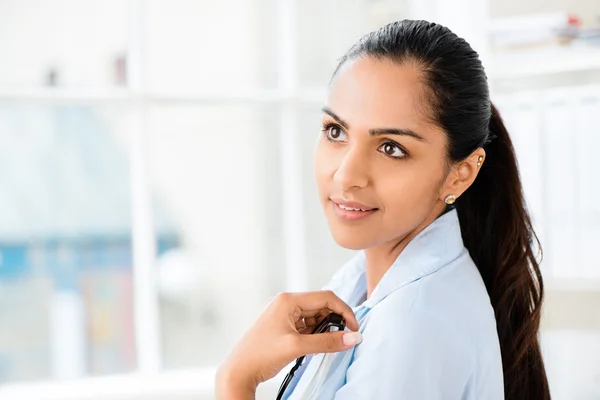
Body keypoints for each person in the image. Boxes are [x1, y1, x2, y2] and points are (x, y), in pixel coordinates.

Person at [216, 19, 550, 400]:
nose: (346, 176)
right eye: (336, 132)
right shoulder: (367, 286)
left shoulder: (415, 324)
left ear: (459, 175)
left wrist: (236, 380)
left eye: (391, 147)